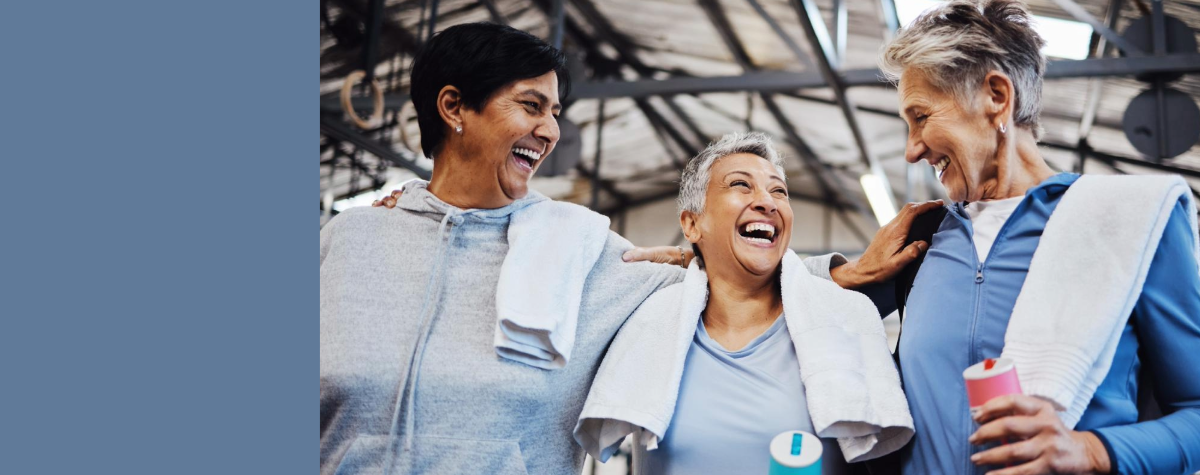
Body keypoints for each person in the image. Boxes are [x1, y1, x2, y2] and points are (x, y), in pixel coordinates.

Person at [321, 22, 926, 474]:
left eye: (555, 112)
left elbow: (723, 276)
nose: (551, 131)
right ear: (453, 107)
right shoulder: (349, 241)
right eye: (530, 106)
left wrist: (844, 273)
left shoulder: (580, 250)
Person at [875, 1, 1200, 474]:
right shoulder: (920, 241)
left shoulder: (1127, 222)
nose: (911, 150)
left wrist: (1090, 451)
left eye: (921, 116)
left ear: (996, 97)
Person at [574, 132, 916, 475]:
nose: (767, 202)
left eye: (778, 190)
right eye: (741, 185)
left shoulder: (845, 320)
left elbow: (887, 458)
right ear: (692, 224)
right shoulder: (648, 321)